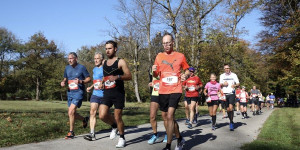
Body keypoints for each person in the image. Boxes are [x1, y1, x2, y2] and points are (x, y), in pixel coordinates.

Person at [152, 33, 189, 150]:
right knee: (166, 117)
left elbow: (187, 70)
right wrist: (153, 71)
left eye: (168, 43)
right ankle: (179, 138)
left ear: (173, 42)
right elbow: (156, 75)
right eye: (164, 43)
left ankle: (168, 146)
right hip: (163, 90)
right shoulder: (159, 56)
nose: (166, 45)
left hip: (176, 89)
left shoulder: (180, 56)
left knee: (169, 115)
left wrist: (185, 75)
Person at [98, 40, 132, 148]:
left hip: (118, 93)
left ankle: (122, 138)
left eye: (110, 48)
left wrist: (118, 77)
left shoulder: (120, 62)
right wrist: (102, 83)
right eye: (106, 48)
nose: (107, 51)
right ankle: (114, 126)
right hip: (107, 93)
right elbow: (106, 76)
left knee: (118, 117)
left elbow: (129, 76)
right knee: (102, 115)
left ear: (115, 49)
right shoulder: (104, 63)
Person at [60, 52, 91, 139]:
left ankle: (71, 132)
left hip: (79, 92)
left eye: (71, 58)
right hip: (70, 92)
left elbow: (89, 78)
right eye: (68, 58)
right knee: (71, 113)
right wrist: (63, 82)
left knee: (71, 111)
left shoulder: (82, 68)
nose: (69, 60)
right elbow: (65, 78)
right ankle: (84, 119)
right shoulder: (67, 68)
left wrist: (81, 81)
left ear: (76, 58)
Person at [83, 52, 105, 141]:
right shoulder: (94, 69)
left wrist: (103, 83)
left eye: (97, 58)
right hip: (95, 93)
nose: (95, 60)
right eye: (94, 59)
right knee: (92, 112)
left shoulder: (105, 68)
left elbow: (106, 78)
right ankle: (92, 134)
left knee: (104, 115)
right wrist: (90, 87)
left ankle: (114, 125)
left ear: (102, 59)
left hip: (105, 94)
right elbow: (96, 81)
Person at [148, 67, 168, 144]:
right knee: (152, 116)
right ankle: (155, 134)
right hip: (155, 94)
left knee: (165, 116)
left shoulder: (167, 68)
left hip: (165, 94)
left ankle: (167, 134)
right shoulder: (153, 68)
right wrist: (151, 83)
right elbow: (153, 77)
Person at [220, 64, 240, 131]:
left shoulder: (234, 75)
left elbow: (238, 83)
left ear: (229, 68)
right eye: (225, 68)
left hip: (231, 93)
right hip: (224, 94)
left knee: (231, 108)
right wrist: (223, 84)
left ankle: (231, 123)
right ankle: (231, 120)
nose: (227, 69)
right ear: (224, 69)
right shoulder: (221, 76)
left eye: (228, 68)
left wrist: (234, 85)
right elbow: (219, 84)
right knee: (228, 109)